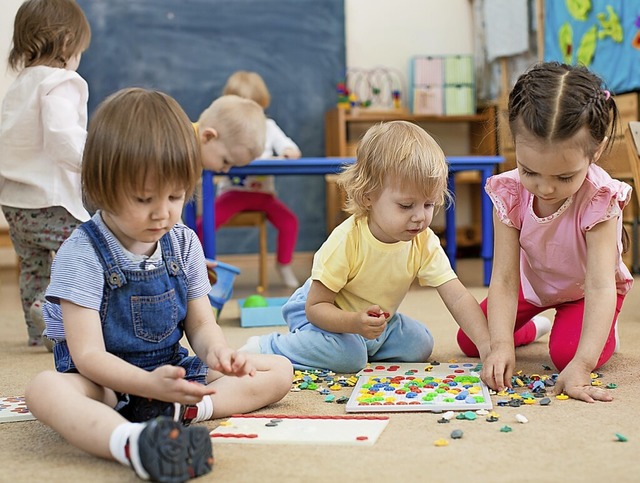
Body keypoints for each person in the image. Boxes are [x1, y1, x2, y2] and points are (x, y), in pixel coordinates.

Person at [25, 88, 293, 482]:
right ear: (103, 186)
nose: (162, 212)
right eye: (144, 198)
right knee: (44, 390)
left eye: (175, 196)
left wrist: (218, 353)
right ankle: (130, 442)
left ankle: (180, 413)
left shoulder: (182, 241)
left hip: (170, 375)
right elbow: (88, 357)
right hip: (104, 385)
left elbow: (201, 326)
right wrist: (145, 384)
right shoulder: (81, 253)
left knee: (279, 370)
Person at [240, 121, 492, 373]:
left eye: (428, 204)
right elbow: (315, 308)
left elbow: (457, 296)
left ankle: (359, 345)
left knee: (420, 344)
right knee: (350, 359)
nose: (420, 217)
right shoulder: (346, 240)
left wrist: (487, 347)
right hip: (321, 315)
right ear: (368, 196)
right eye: (406, 206)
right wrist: (352, 323)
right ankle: (269, 347)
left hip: (371, 320)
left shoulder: (423, 240)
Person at [457, 61, 633, 403]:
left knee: (568, 356)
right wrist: (502, 344)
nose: (545, 188)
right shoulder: (508, 192)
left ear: (594, 152)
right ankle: (538, 326)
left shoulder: (600, 198)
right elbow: (505, 279)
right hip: (531, 287)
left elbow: (600, 284)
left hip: (586, 292)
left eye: (564, 177)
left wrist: (583, 363)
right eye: (529, 171)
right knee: (472, 338)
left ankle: (604, 329)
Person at [0, 0, 91, 347]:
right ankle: (58, 319)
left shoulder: (20, 84)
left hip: (15, 204)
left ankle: (38, 330)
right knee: (83, 256)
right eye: (81, 49)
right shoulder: (62, 81)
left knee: (34, 268)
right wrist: (93, 162)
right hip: (51, 202)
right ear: (67, 43)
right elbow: (62, 135)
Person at [217, 71, 302, 288]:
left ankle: (284, 264)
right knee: (203, 224)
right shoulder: (226, 127)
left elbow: (289, 147)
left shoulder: (268, 126)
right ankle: (199, 266)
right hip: (233, 194)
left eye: (255, 106)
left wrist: (289, 151)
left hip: (263, 195)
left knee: (289, 222)